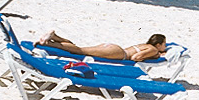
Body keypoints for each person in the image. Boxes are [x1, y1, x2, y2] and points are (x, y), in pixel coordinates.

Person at [42, 31, 171, 62]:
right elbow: (136, 58)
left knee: (79, 48)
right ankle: (52, 41)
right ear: (158, 44)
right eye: (164, 44)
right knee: (79, 51)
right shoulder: (153, 49)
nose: (165, 47)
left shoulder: (145, 44)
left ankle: (55, 38)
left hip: (113, 47)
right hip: (119, 53)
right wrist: (156, 55)